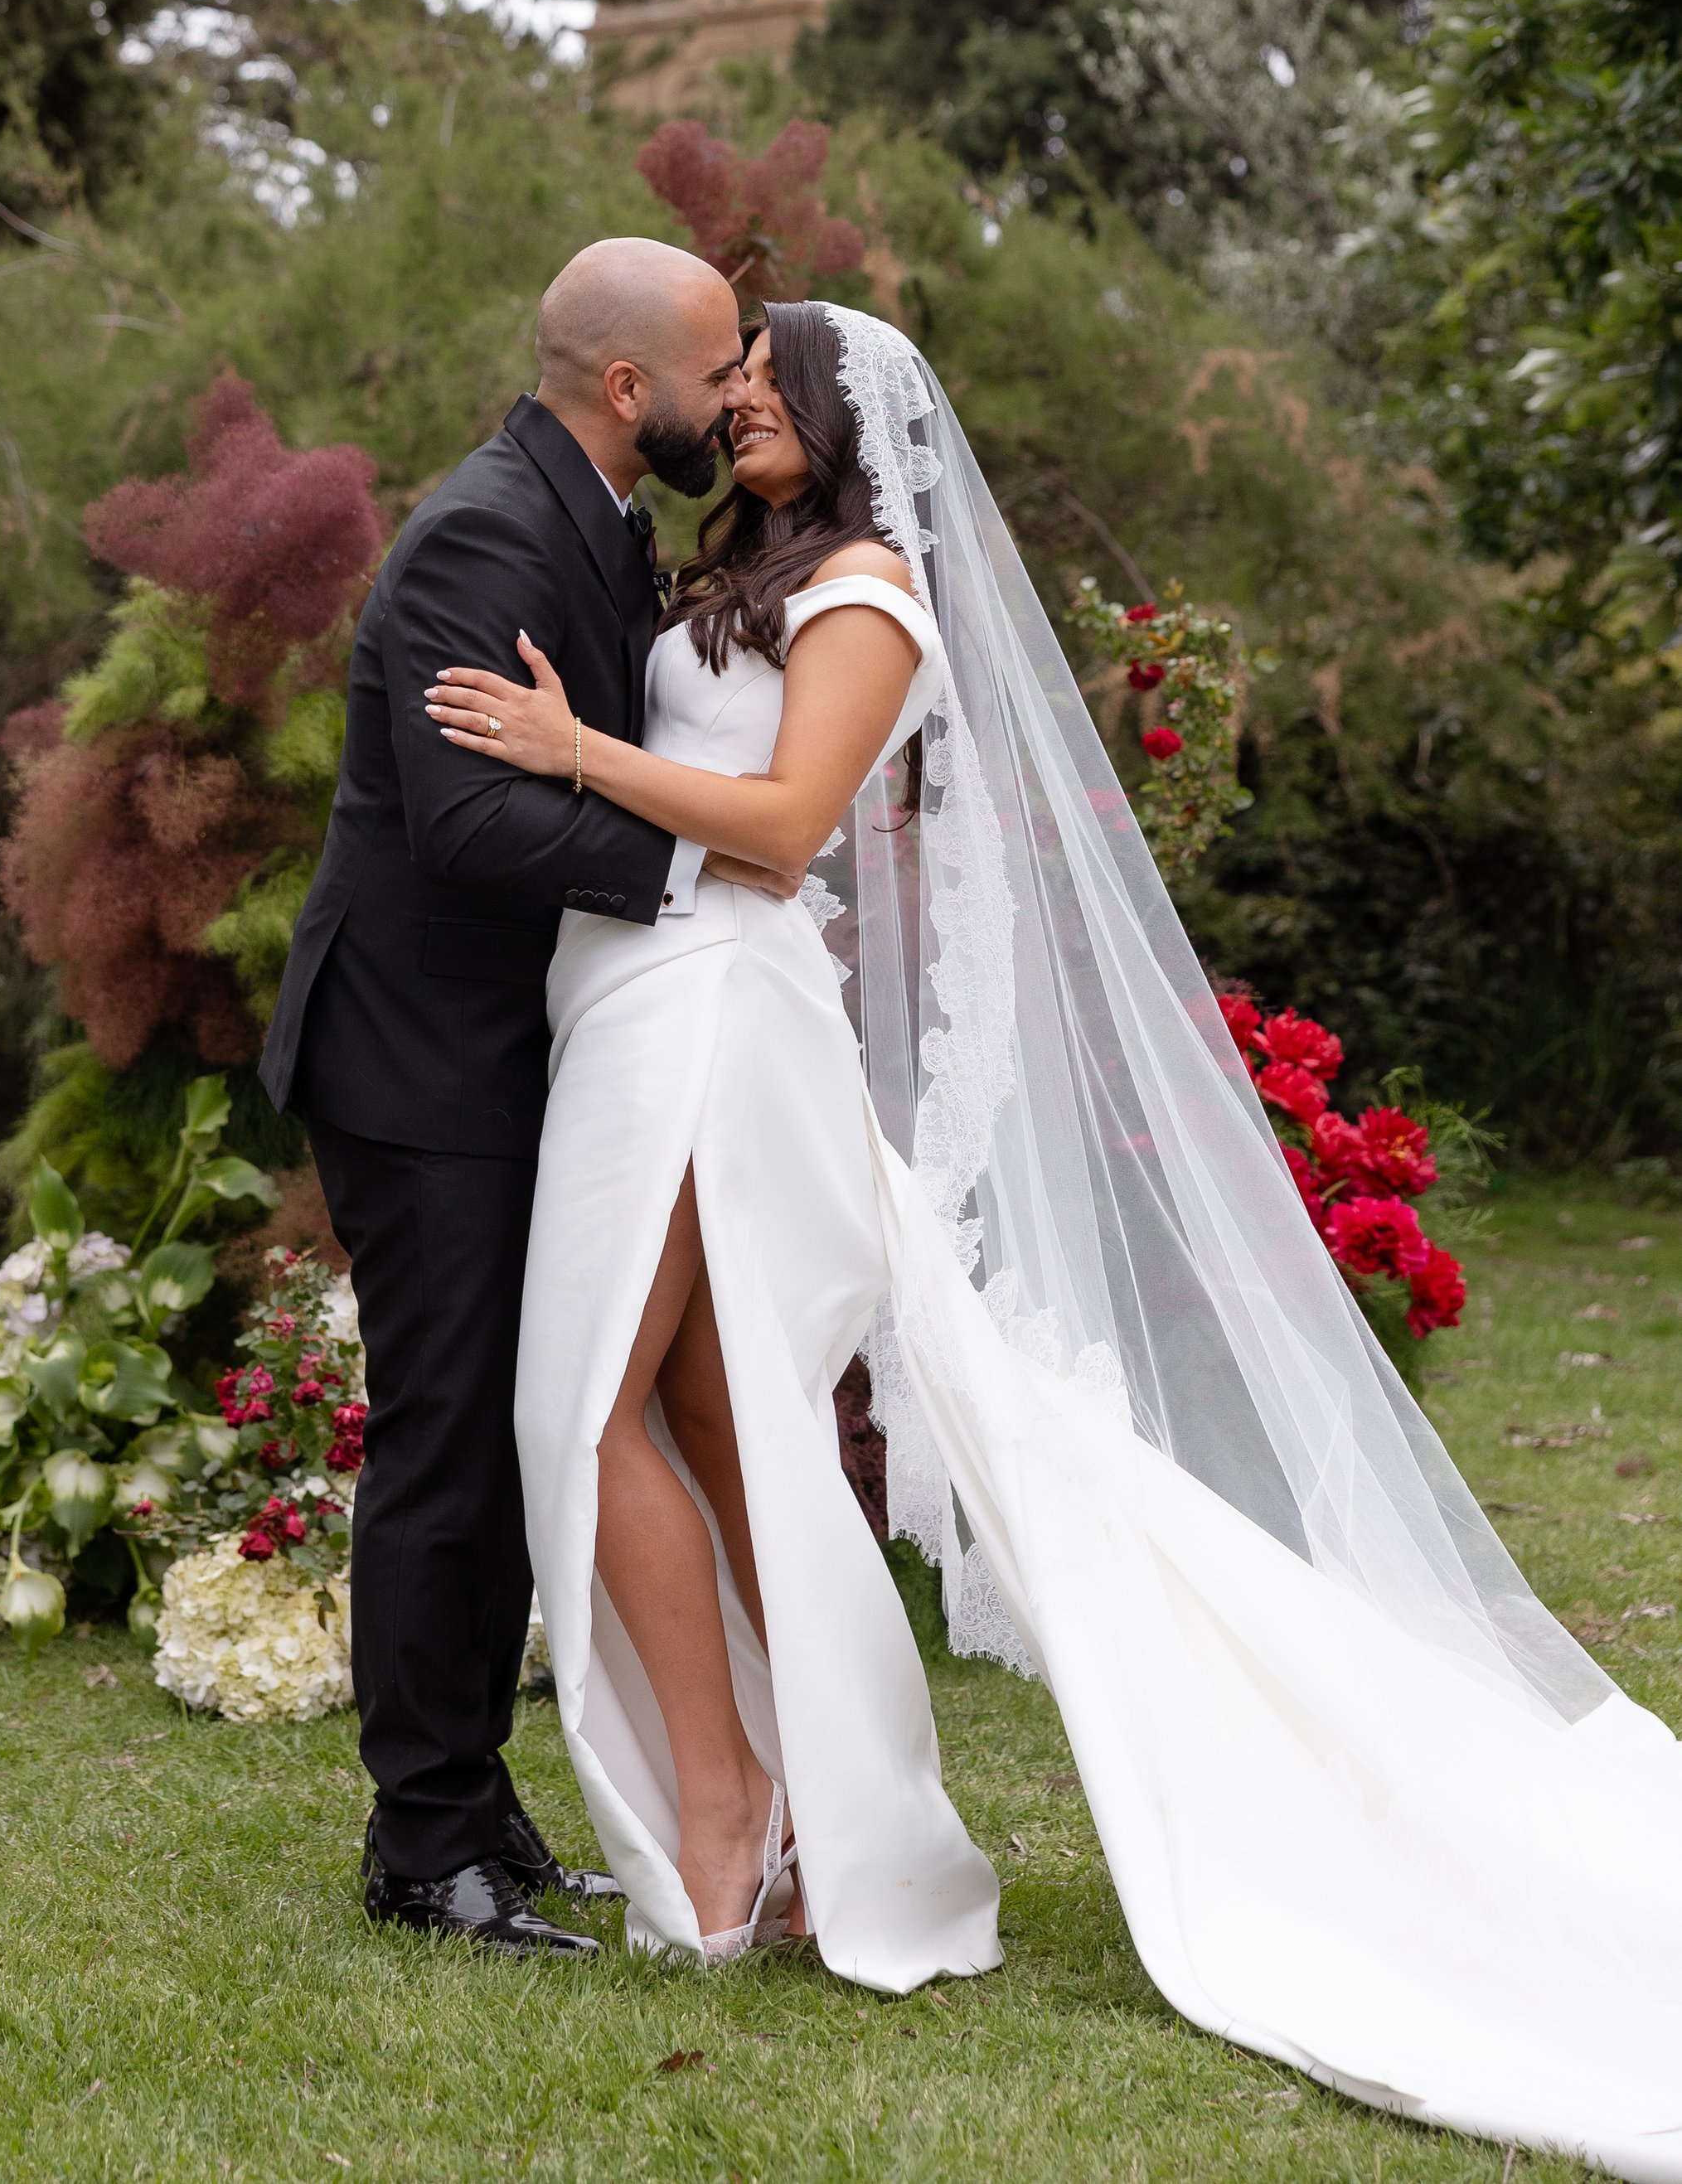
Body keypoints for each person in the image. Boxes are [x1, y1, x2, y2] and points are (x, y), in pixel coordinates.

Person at [425, 298, 1682, 2173]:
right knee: (704, 1425)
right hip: (627, 1006)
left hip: (708, 1012)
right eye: (734, 376)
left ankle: (732, 1815)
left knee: (583, 1412)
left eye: (774, 381)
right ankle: (817, 1828)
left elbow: (782, 826)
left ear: (856, 422)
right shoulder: (739, 574)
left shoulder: (867, 593)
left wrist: (565, 749)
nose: (743, 399)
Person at [259, 235, 777, 1959]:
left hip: (505, 1047)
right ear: (627, 387)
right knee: (443, 1444)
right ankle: (422, 1846)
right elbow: (465, 823)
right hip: (417, 1058)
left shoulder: (600, 517)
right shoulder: (486, 528)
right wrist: (711, 862)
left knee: (491, 1428)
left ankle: (473, 1806)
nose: (733, 394)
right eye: (713, 369)